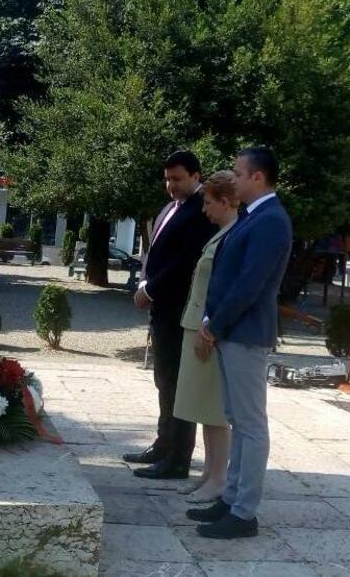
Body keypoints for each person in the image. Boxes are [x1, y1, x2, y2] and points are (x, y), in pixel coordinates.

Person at [186, 147, 292, 540]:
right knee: (236, 418)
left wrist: (214, 322)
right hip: (234, 332)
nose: (235, 178)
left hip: (245, 333)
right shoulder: (255, 216)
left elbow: (250, 282)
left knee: (250, 424)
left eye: (239, 172)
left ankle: (244, 511)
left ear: (258, 177)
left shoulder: (271, 220)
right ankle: (230, 500)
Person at [125, 151, 216, 479]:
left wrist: (151, 289)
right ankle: (163, 443)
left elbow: (186, 262)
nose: (171, 185)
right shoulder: (170, 208)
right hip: (162, 310)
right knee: (163, 379)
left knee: (178, 383)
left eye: (177, 179)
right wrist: (144, 281)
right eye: (167, 179)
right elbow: (156, 253)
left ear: (196, 176)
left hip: (180, 309)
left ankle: (179, 457)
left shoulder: (200, 211)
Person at [173, 171, 238, 504]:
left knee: (214, 410)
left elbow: (223, 289)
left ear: (225, 202)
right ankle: (208, 473)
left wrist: (209, 330)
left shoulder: (233, 235)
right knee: (201, 405)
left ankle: (219, 478)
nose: (204, 209)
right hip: (195, 324)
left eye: (209, 202)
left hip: (207, 330)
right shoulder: (222, 234)